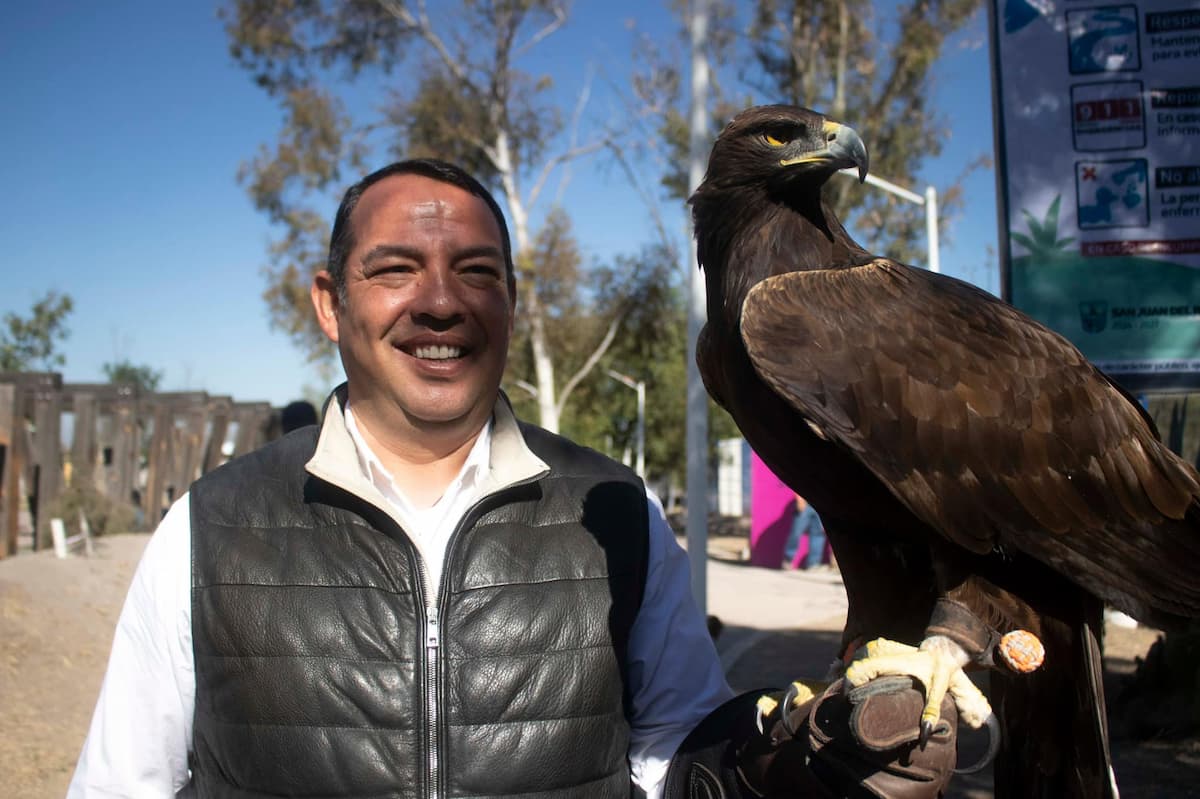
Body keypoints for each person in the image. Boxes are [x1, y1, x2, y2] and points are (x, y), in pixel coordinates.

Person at [69, 159, 957, 798]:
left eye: (477, 273)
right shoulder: (208, 527)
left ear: (511, 304)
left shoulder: (618, 511)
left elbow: (679, 755)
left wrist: (794, 762)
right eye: (395, 271)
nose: (442, 302)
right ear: (330, 303)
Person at [784, 494, 828, 570]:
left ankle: (813, 564)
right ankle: (788, 559)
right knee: (796, 531)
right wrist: (800, 499)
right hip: (805, 503)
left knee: (818, 534)